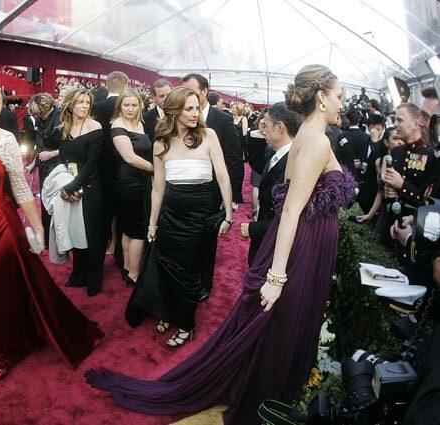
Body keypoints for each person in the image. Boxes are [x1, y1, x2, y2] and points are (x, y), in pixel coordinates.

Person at [86, 64, 356, 425]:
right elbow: (290, 208)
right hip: (303, 243)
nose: (344, 102)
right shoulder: (316, 139)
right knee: (279, 318)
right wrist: (276, 277)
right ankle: (265, 389)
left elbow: (286, 197)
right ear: (322, 98)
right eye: (340, 95)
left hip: (299, 237)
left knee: (273, 320)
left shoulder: (309, 134)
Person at [0, 76, 103, 382]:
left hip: (1, 225)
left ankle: (3, 352)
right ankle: (24, 332)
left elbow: (21, 189)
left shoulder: (5, 139)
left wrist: (39, 227)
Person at [125, 87, 233, 348]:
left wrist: (228, 213)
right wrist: (153, 223)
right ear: (174, 111)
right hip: (170, 217)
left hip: (199, 218)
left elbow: (222, 176)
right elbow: (158, 187)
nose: (195, 113)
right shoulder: (161, 142)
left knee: (186, 272)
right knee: (165, 268)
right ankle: (168, 312)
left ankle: (187, 324)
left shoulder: (209, 136)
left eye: (197, 108)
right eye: (189, 108)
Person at [182, 73, 243, 301]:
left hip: (213, 192)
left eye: (191, 90)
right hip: (184, 191)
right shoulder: (179, 117)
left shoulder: (223, 119)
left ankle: (204, 284)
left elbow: (234, 159)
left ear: (205, 92)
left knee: (207, 242)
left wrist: (232, 197)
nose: (186, 95)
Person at [57, 88, 106, 296]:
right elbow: (64, 159)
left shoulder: (95, 126)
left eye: (87, 102)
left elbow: (92, 163)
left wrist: (72, 186)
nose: (85, 106)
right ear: (71, 104)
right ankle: (78, 275)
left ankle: (94, 280)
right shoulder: (64, 128)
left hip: (91, 188)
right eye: (80, 102)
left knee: (92, 235)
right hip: (72, 185)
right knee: (75, 231)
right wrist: (66, 183)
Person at [240, 102, 301, 266]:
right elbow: (257, 163)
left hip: (273, 250)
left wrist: (254, 229)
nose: (262, 131)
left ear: (280, 127)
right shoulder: (278, 155)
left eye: (265, 126)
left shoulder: (293, 162)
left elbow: (288, 216)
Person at [111, 89, 153, 285]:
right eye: (126, 105)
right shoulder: (118, 124)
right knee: (137, 230)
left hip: (140, 181)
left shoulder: (139, 123)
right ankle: (134, 275)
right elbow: (129, 157)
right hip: (130, 183)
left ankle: (128, 268)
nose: (129, 108)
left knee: (129, 228)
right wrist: (155, 170)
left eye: (134, 105)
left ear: (140, 106)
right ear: (120, 106)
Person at [93, 71, 129, 259]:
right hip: (124, 165)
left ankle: (103, 244)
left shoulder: (96, 107)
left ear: (107, 85)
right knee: (121, 209)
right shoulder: (129, 106)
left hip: (99, 165)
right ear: (125, 85)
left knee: (102, 208)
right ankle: (117, 246)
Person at [28, 93, 62, 245]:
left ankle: (59, 240)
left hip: (58, 166)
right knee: (45, 203)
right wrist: (34, 163)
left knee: (56, 204)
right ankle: (48, 239)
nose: (40, 117)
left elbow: (71, 145)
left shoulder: (61, 117)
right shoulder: (43, 119)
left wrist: (52, 153)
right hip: (44, 166)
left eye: (42, 114)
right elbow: (40, 144)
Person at [143, 79, 172, 144]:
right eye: (162, 96)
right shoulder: (145, 118)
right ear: (154, 97)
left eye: (169, 95)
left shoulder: (180, 114)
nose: (166, 99)